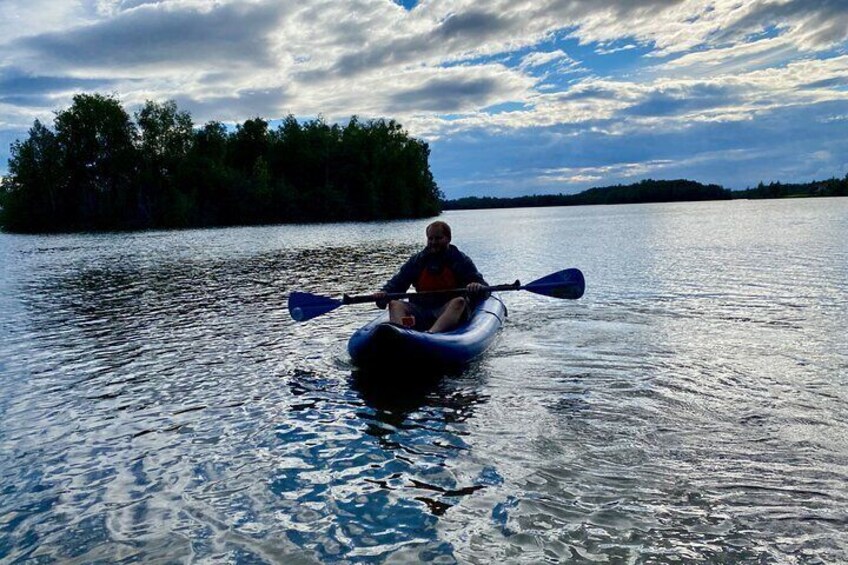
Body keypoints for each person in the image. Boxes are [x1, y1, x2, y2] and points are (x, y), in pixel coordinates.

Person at [374, 221, 487, 333]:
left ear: (448, 239)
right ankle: (401, 333)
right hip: (422, 309)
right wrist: (384, 293)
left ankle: (431, 333)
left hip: (447, 309)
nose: (433, 242)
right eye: (430, 238)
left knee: (459, 301)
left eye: (438, 238)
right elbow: (398, 283)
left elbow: (482, 286)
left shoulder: (460, 260)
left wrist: (476, 286)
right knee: (395, 304)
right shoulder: (417, 261)